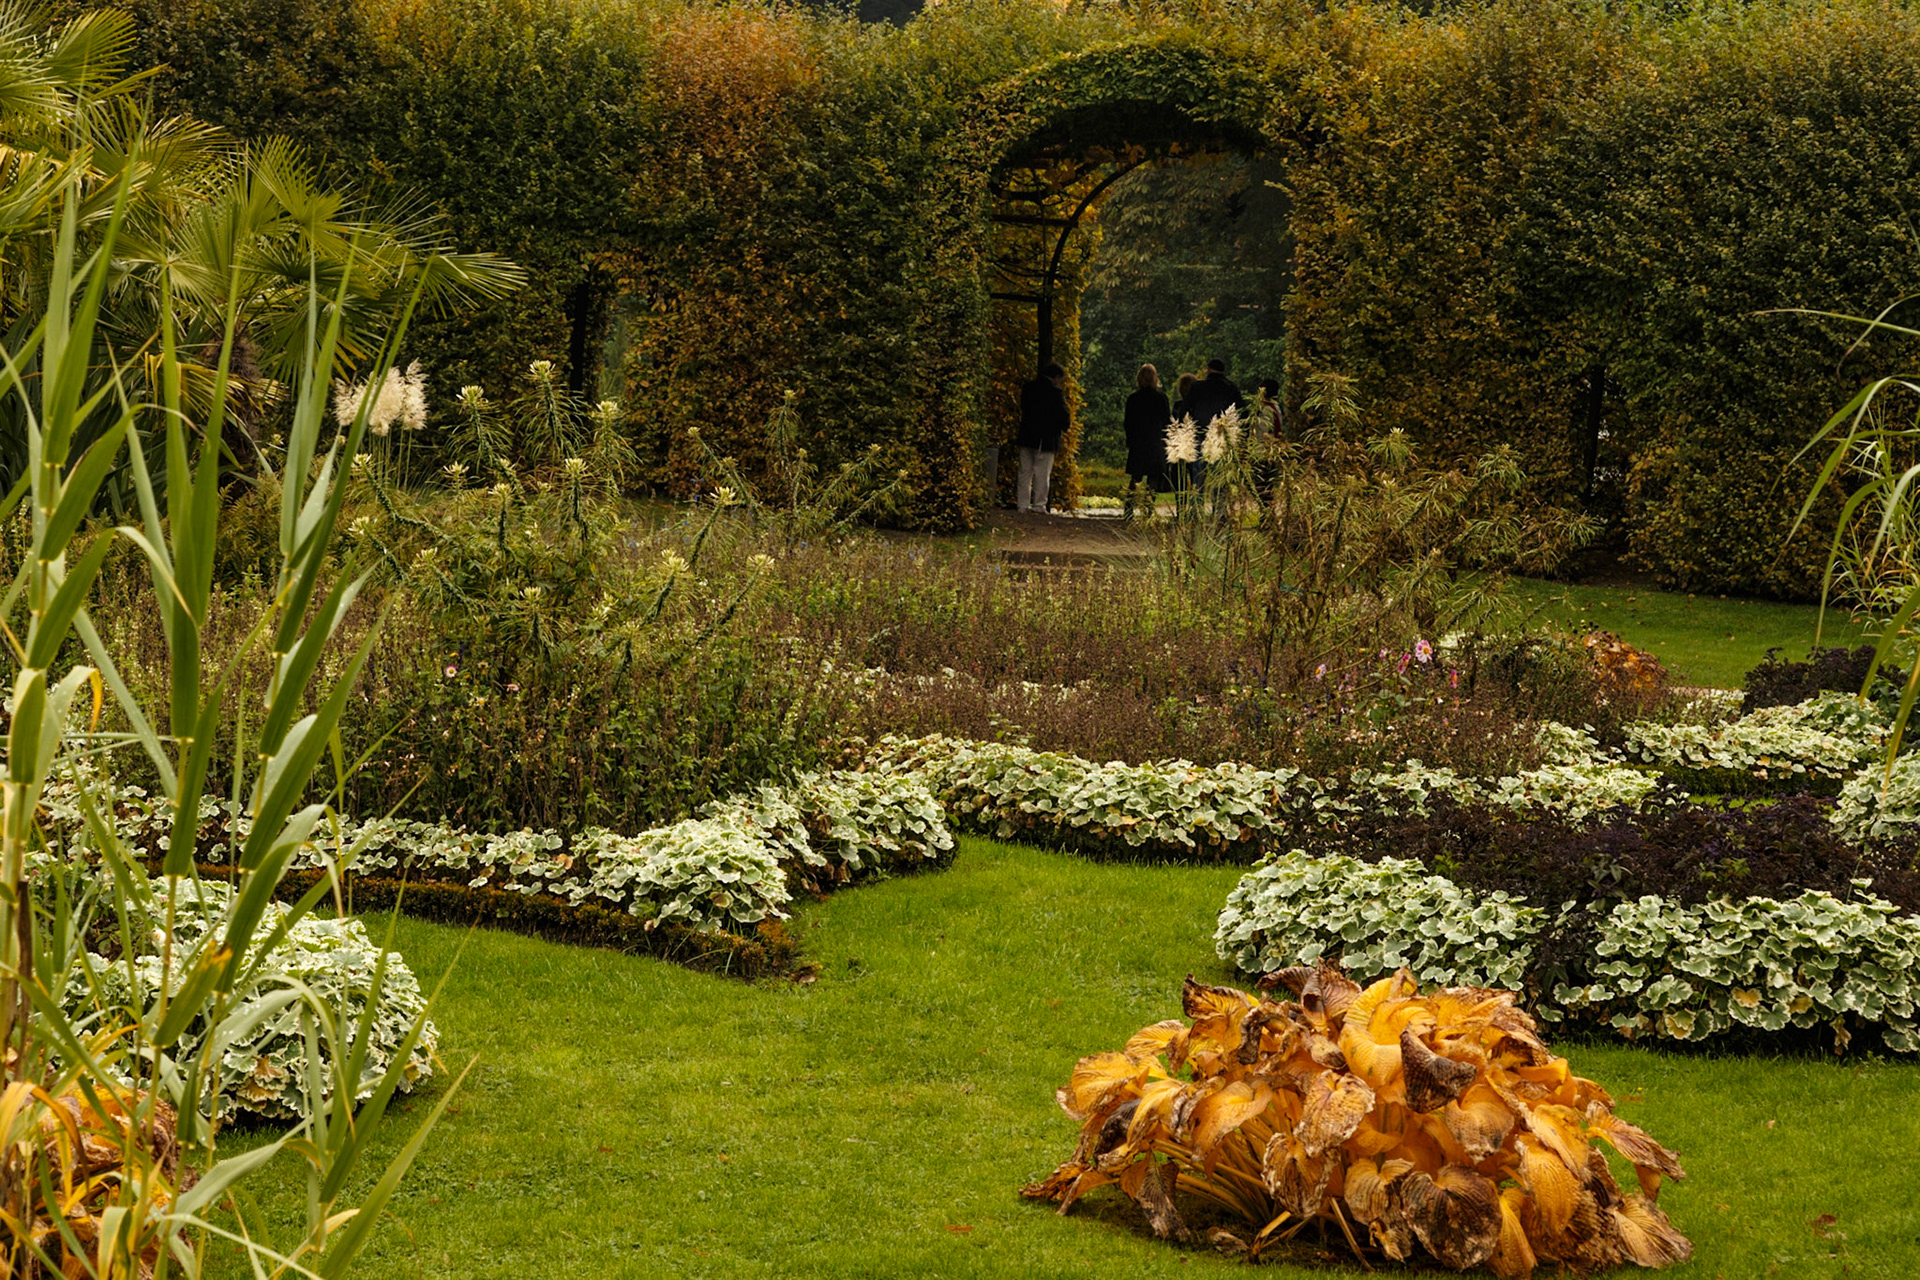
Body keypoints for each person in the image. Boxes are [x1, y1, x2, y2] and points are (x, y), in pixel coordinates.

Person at [1016, 361, 1069, 513]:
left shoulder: (1028, 388)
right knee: (1042, 473)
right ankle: (1039, 505)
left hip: (1027, 435)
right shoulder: (1055, 393)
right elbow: (1064, 416)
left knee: (1025, 471)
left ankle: (1022, 504)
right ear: (1056, 377)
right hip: (1046, 438)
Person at [1122, 363, 1171, 516]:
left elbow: (1128, 422)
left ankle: (1129, 508)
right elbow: (1167, 422)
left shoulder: (1133, 399)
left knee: (1136, 477)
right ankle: (1148, 509)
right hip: (1155, 442)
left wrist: (1130, 440)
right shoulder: (1161, 398)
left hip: (1138, 442)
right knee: (1153, 477)